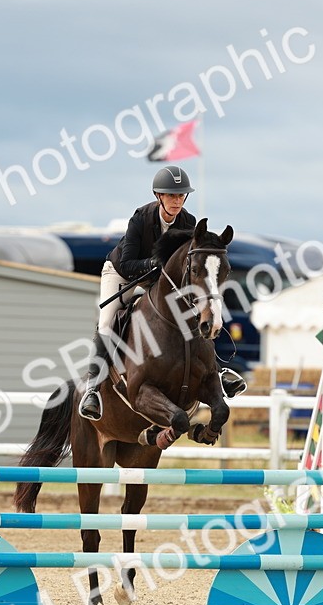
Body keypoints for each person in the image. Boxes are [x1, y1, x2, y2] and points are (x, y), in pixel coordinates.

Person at [77, 165, 247, 421]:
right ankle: (93, 390)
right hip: (123, 272)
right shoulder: (141, 219)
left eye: (180, 196)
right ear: (159, 196)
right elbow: (126, 262)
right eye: (171, 195)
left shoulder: (189, 222)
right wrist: (153, 265)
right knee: (108, 321)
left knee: (193, 314)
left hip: (159, 278)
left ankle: (219, 371)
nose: (176, 201)